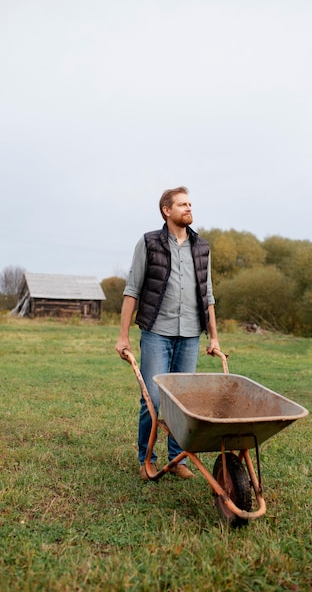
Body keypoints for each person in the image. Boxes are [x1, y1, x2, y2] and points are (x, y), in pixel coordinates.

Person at [115, 186, 220, 480]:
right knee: (154, 399)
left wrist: (213, 337)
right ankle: (146, 458)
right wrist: (123, 337)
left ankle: (178, 460)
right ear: (166, 210)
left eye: (190, 204)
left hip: (190, 335)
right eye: (182, 204)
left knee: (182, 401)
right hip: (156, 333)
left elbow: (208, 295)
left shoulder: (202, 247)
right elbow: (132, 290)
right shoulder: (149, 243)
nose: (189, 208)